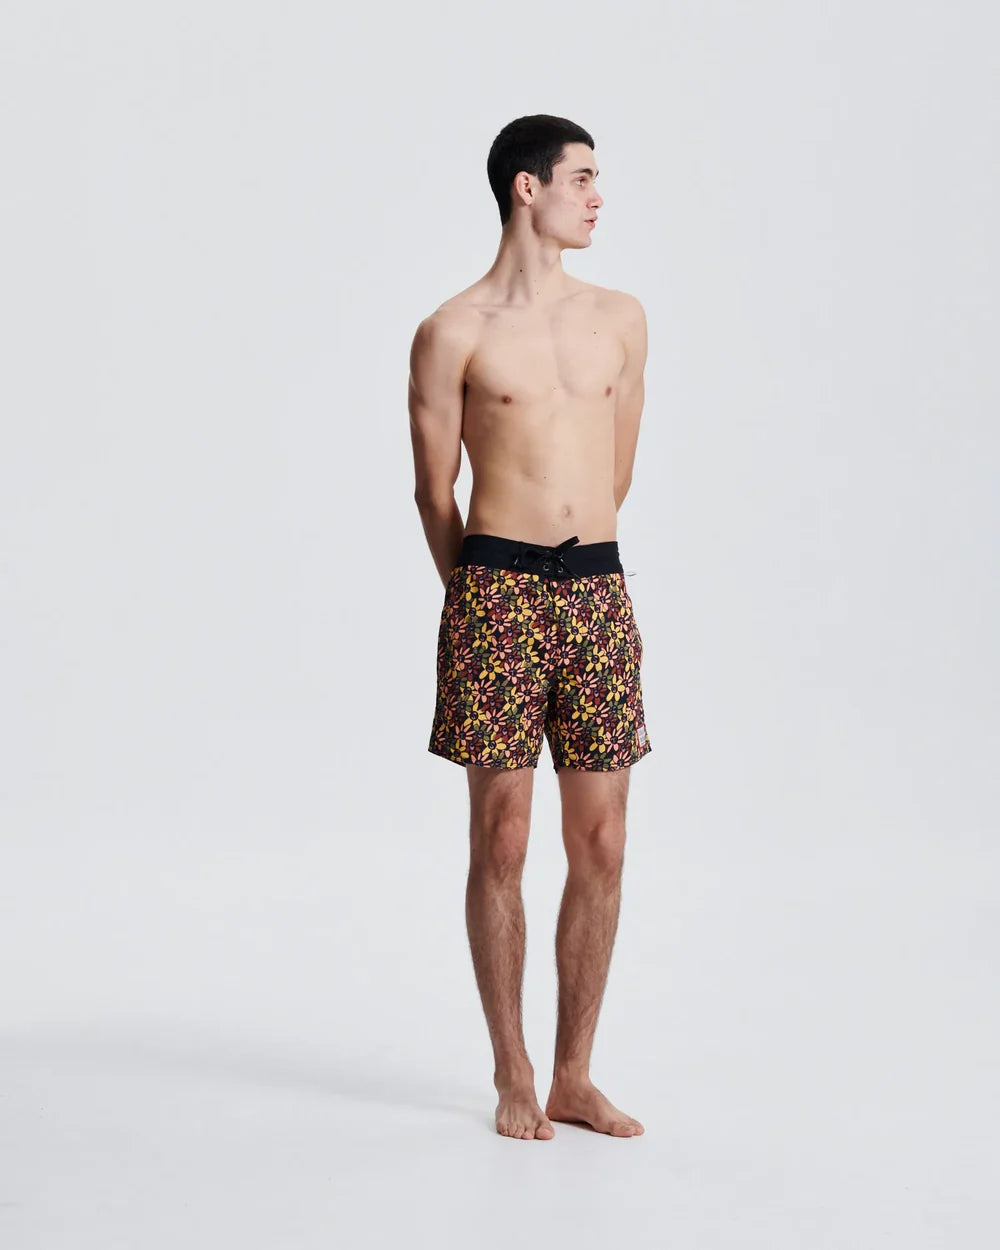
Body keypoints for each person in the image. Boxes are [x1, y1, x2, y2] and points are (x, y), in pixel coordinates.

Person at [408, 114, 650, 1141]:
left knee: (602, 841)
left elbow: (615, 475)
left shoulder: (621, 319)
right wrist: (478, 598)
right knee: (500, 836)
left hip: (596, 587)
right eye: (581, 178)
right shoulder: (452, 329)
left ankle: (573, 1075)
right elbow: (434, 492)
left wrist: (574, 569)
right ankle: (512, 1068)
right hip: (495, 590)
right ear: (527, 187)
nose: (596, 197)